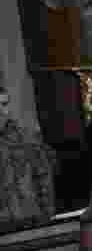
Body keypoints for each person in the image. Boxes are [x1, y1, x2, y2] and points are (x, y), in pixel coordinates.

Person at [0, 86, 57, 229]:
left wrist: (46, 216)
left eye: (4, 104)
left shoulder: (27, 139)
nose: (1, 111)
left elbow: (43, 178)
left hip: (30, 219)